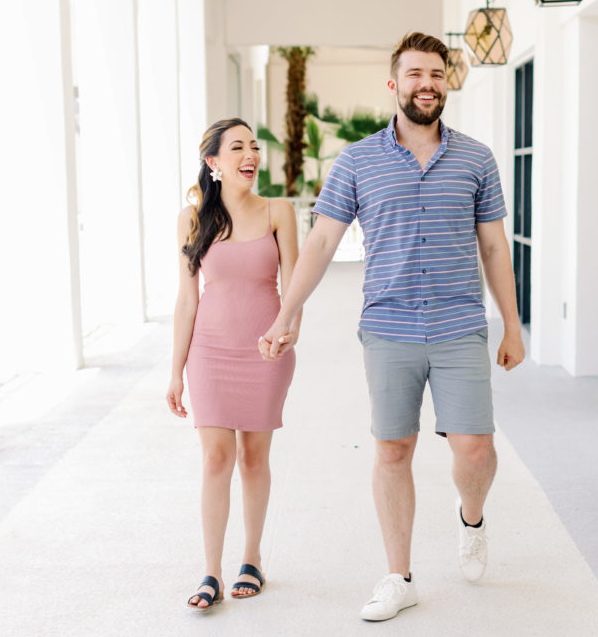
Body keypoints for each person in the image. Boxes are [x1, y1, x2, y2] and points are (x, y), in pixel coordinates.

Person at [259, 33, 525, 622]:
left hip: (460, 323)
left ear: (446, 82)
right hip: (389, 327)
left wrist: (512, 324)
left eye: (436, 73)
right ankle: (398, 575)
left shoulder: (477, 158)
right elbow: (323, 241)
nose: (426, 83)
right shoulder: (357, 160)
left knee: (476, 450)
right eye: (414, 74)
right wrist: (286, 313)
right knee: (392, 450)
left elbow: (494, 247)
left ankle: (471, 518)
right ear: (394, 84)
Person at [167, 117, 299, 610]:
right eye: (237, 147)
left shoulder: (279, 211)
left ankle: (252, 558)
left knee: (253, 458)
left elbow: (295, 287)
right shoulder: (193, 218)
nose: (250, 155)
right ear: (214, 162)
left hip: (265, 350)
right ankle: (210, 572)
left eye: (254, 147)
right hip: (210, 352)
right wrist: (175, 371)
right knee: (216, 458)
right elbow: (186, 301)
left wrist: (289, 333)